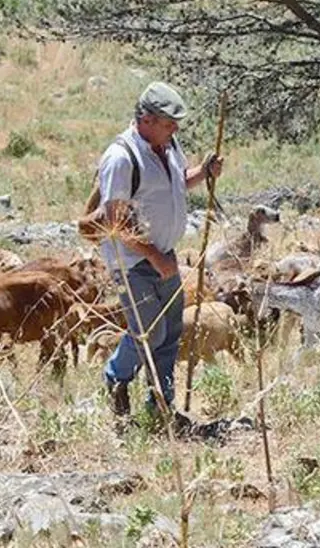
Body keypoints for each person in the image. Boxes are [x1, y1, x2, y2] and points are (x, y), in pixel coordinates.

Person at [97, 81, 224, 427]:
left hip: (164, 255)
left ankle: (161, 408)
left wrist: (204, 172)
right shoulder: (121, 158)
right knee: (148, 331)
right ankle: (115, 377)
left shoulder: (167, 147)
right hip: (133, 261)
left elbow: (177, 182)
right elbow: (116, 222)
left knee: (169, 331)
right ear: (147, 119)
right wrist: (154, 256)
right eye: (169, 123)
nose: (175, 129)